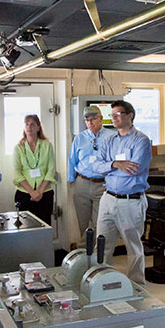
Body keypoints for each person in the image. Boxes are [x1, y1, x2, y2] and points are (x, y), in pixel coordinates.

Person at [92, 100, 152, 285]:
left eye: (118, 114)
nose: (114, 118)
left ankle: (137, 285)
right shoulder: (108, 140)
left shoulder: (141, 140)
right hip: (108, 198)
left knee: (133, 247)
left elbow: (134, 169)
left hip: (131, 201)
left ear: (130, 115)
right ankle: (102, 281)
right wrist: (115, 164)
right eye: (112, 115)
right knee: (102, 244)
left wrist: (108, 167)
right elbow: (96, 166)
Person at [67, 105, 115, 248]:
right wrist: (71, 181)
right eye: (87, 120)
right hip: (82, 183)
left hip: (103, 184)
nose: (90, 123)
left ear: (101, 119)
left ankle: (97, 257)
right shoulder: (79, 138)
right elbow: (72, 160)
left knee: (100, 223)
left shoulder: (111, 137)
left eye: (93, 119)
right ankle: (83, 256)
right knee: (82, 223)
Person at [12, 114, 56, 225]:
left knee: (45, 225)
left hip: (44, 193)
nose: (29, 127)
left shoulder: (47, 145)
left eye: (32, 124)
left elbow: (51, 170)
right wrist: (32, 192)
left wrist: (39, 192)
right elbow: (17, 173)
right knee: (25, 227)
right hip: (24, 193)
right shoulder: (18, 148)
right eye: (26, 124)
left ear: (38, 127)